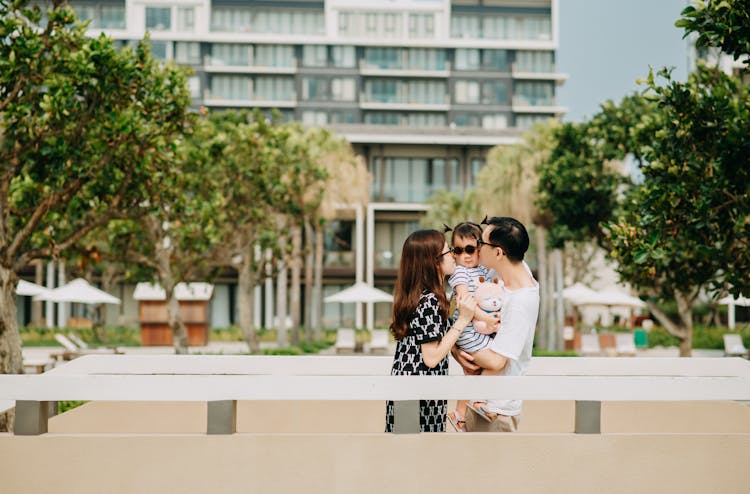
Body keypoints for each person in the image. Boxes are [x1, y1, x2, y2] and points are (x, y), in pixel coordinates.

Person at [452, 217, 539, 432]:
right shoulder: (509, 270)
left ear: (498, 253)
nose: (477, 248)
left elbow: (497, 362)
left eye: (481, 244)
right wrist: (455, 350)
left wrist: (458, 346)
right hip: (483, 404)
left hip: (496, 410)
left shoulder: (520, 303)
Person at [384, 229, 476, 433]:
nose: (454, 256)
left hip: (409, 391)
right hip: (419, 395)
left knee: (405, 454)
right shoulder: (430, 301)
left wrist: (455, 352)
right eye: (449, 252)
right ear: (432, 261)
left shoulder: (419, 296)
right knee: (418, 456)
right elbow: (431, 358)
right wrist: (463, 320)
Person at [446, 221, 502, 432]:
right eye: (458, 251)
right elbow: (463, 302)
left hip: (480, 329)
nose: (465, 256)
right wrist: (487, 319)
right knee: (496, 362)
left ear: (480, 248)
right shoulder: (460, 273)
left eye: (470, 249)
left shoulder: (484, 271)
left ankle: (460, 414)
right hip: (468, 332)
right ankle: (478, 401)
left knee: (473, 373)